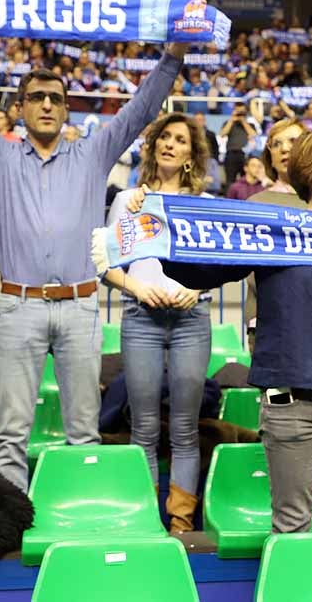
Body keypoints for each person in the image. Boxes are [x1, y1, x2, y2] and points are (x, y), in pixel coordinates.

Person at [0, 19, 188, 491]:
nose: (48, 105)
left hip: (80, 307)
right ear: (19, 108)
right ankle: (12, 519)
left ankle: (77, 513)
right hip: (19, 308)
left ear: (67, 110)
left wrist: (172, 55)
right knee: (11, 431)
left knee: (82, 432)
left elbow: (140, 111)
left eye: (56, 99)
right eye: (37, 98)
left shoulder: (93, 155)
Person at [163, 128, 312, 535]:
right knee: (291, 526)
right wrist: (156, 234)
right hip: (289, 406)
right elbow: (203, 270)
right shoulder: (274, 233)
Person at [104, 113, 211, 532]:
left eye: (180, 139)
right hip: (140, 319)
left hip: (191, 318)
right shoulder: (127, 200)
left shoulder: (204, 204)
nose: (169, 144)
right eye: (163, 137)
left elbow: (216, 266)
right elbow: (106, 265)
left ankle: (182, 525)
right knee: (143, 427)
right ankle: (147, 523)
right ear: (152, 147)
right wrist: (134, 288)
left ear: (191, 153)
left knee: (185, 428)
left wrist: (197, 290)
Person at [220, 102, 258, 187]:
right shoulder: (229, 123)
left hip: (245, 155)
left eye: (242, 112)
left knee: (246, 180)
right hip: (231, 154)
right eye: (238, 111)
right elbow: (222, 134)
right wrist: (232, 119)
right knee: (230, 181)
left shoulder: (250, 124)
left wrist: (243, 121)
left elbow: (253, 135)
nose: (240, 113)